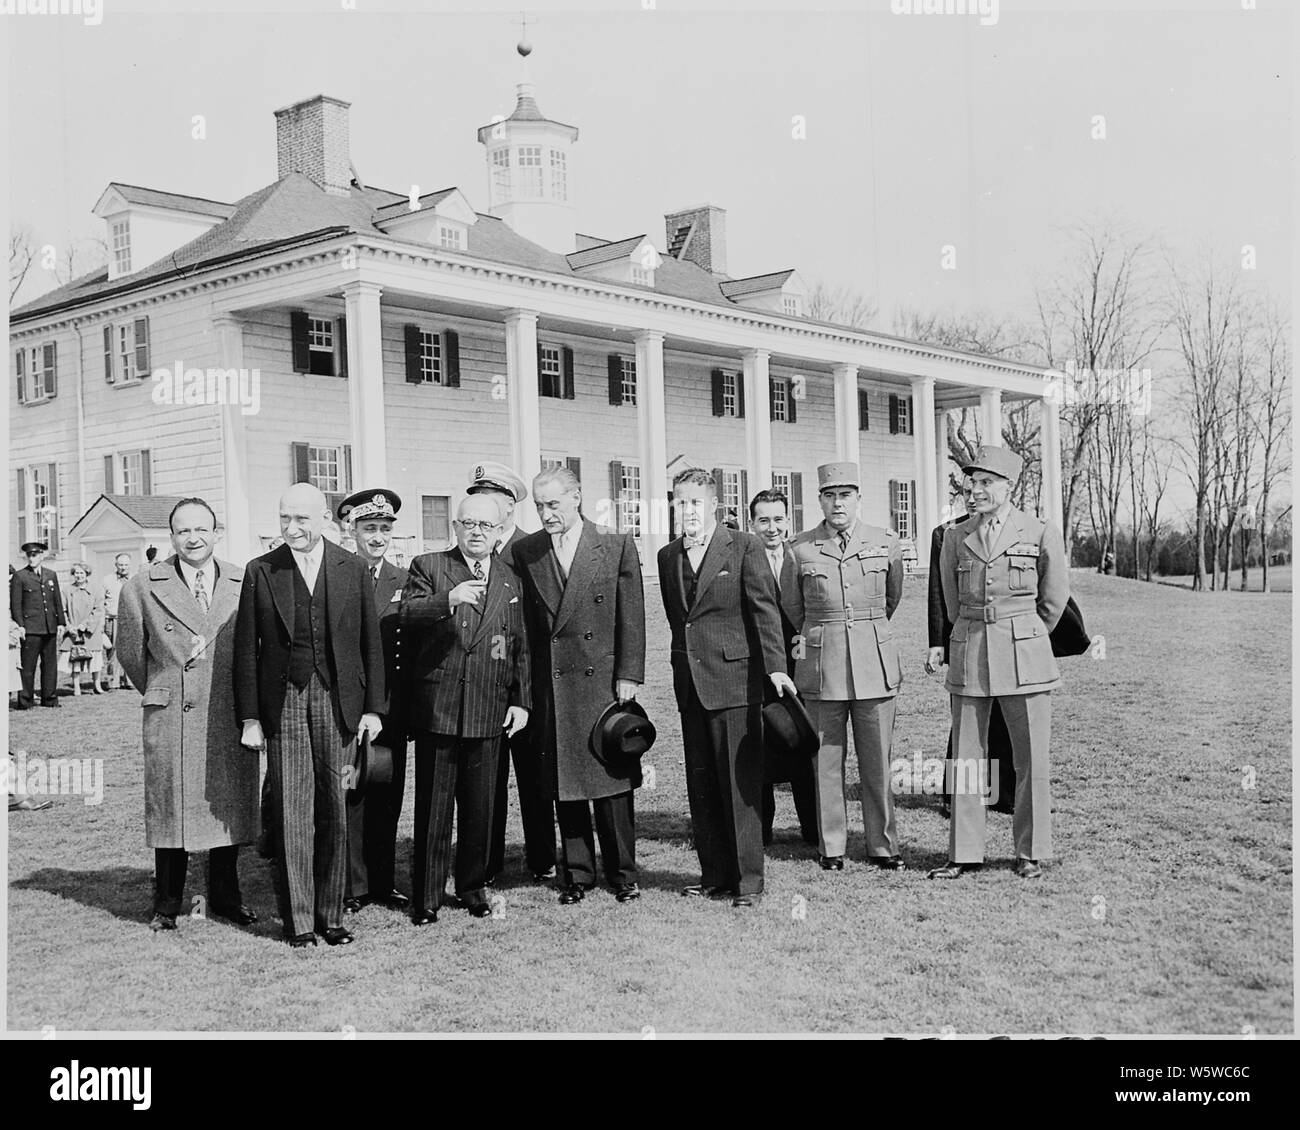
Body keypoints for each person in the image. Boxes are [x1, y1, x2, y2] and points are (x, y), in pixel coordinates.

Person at [234, 483, 385, 948]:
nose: (292, 528)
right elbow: (246, 650)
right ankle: (299, 921)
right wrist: (252, 718)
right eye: (285, 519)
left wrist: (374, 708)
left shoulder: (352, 568)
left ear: (324, 520)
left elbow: (370, 644)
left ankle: (331, 915)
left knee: (335, 811)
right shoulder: (262, 570)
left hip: (338, 703)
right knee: (292, 813)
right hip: (284, 704)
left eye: (302, 519)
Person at [116, 498, 261, 931]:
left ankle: (225, 897)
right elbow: (130, 653)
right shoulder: (142, 586)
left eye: (201, 530)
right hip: (173, 714)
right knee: (171, 811)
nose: (193, 539)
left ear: (217, 533)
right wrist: (165, 687)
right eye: (182, 531)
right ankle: (167, 904)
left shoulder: (244, 579)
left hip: (228, 712)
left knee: (227, 806)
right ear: (172, 537)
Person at [928, 446, 1069, 881]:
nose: (976, 491)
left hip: (1024, 651)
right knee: (969, 758)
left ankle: (1030, 852)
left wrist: (1023, 634)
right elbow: (952, 603)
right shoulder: (955, 536)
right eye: (973, 483)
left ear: (1009, 487)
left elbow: (1053, 599)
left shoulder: (1040, 531)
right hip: (971, 647)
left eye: (987, 482)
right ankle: (965, 852)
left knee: (1030, 758)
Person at [658, 468, 796, 908]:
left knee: (739, 785)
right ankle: (714, 874)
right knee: (702, 786)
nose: (688, 511)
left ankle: (748, 881)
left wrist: (775, 667)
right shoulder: (667, 556)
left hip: (737, 683)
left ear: (713, 505)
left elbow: (764, 611)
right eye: (681, 502)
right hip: (691, 686)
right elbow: (681, 622)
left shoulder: (745, 547)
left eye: (695, 502)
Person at [514, 468, 646, 906]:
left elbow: (632, 616)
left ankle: (623, 872)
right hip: (553, 683)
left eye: (553, 504)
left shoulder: (614, 544)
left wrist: (629, 672)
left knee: (610, 777)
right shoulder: (527, 550)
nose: (546, 513)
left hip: (604, 682)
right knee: (565, 780)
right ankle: (577, 874)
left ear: (576, 498)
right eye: (538, 506)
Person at [401, 493, 531, 924]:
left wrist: (521, 700)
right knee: (434, 807)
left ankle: (473, 887)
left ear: (498, 533)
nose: (477, 533)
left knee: (480, 808)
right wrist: (448, 599)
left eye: (486, 527)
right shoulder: (429, 566)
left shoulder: (511, 578)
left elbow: (519, 646)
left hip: (488, 708)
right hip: (440, 707)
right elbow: (405, 614)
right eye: (468, 524)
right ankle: (427, 897)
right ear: (455, 528)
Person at [781, 462, 906, 871]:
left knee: (877, 763)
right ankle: (831, 845)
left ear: (858, 498)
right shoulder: (799, 548)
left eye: (846, 495)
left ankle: (882, 845)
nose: (838, 503)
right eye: (830, 496)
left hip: (874, 661)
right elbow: (793, 607)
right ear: (819, 499)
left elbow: (890, 598)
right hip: (823, 665)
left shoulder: (884, 541)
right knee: (826, 762)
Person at [469, 461, 558, 885]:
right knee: (488, 779)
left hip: (527, 682)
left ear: (508, 504)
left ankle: (542, 858)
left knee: (534, 774)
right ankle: (487, 862)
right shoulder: (470, 549)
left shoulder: (531, 548)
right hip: (484, 685)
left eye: (490, 499)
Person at [337, 487, 411, 914]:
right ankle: (354, 886)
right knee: (353, 795)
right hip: (348, 709)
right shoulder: (339, 574)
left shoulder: (404, 579)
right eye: (369, 528)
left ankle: (383, 881)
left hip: (391, 711)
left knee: (388, 794)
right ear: (353, 530)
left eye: (384, 529)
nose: (378, 537)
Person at [926, 476, 1015, 816]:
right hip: (964, 636)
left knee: (1006, 715)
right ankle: (955, 794)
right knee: (966, 720)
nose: (973, 496)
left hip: (1004, 638)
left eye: (979, 488)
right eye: (966, 491)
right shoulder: (947, 534)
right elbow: (939, 593)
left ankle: (1003, 792)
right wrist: (937, 642)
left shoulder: (1012, 530)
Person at [748, 489, 818, 847]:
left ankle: (813, 829)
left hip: (801, 664)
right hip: (757, 668)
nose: (771, 528)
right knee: (762, 751)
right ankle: (760, 832)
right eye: (764, 520)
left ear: (788, 521)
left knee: (803, 747)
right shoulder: (743, 557)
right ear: (752, 524)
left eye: (778, 520)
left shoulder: (803, 556)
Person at [10, 541, 66, 709]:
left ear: (42, 555)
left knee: (50, 665)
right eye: (29, 555)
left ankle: (49, 698)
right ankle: (25, 700)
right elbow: (16, 604)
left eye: (34, 555)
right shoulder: (20, 576)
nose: (31, 558)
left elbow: (57, 601)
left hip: (49, 626)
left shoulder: (51, 575)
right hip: (31, 627)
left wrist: (61, 622)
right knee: (28, 666)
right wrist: (20, 625)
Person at [60, 562, 104, 696]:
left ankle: (97, 685)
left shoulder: (96, 589)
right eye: (76, 573)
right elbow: (63, 611)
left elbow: (98, 610)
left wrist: (85, 626)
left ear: (87, 574)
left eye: (81, 573)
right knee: (75, 659)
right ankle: (77, 687)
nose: (79, 576)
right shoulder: (67, 590)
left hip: (91, 630)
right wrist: (70, 627)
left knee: (95, 658)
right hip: (73, 630)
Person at [100, 553, 133, 691]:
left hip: (131, 620)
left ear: (129, 565)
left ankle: (130, 681)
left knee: (131, 651)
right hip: (113, 619)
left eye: (125, 565)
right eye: (120, 565)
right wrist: (102, 624)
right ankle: (113, 681)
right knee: (113, 651)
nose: (123, 567)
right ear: (116, 565)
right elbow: (101, 603)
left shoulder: (135, 580)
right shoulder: (107, 580)